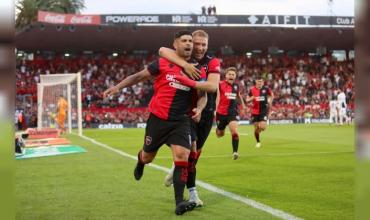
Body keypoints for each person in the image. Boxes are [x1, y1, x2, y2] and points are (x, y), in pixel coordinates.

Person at [103, 30, 205, 215]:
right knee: (148, 156)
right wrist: (117, 87)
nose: (189, 44)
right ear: (175, 45)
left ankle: (179, 202)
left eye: (191, 41)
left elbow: (202, 95)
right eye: (184, 41)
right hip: (158, 119)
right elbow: (138, 76)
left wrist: (200, 107)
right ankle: (141, 160)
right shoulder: (163, 63)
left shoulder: (197, 69)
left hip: (181, 120)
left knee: (183, 155)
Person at [158, 29, 221, 207]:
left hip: (206, 112)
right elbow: (162, 50)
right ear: (191, 43)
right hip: (187, 112)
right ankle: (192, 194)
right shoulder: (183, 57)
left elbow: (213, 87)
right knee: (190, 151)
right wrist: (185, 66)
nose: (200, 48)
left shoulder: (212, 62)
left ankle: (177, 166)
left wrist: (205, 102)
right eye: (197, 44)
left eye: (204, 45)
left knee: (194, 157)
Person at [215, 67, 246, 159]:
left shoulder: (236, 86)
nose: (231, 76)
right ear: (226, 75)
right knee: (220, 134)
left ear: (235, 76)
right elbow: (215, 95)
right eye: (230, 74)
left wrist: (243, 106)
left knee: (235, 132)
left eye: (233, 74)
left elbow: (239, 95)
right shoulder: (220, 84)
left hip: (232, 113)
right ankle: (219, 129)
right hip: (220, 113)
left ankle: (235, 152)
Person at [246, 75, 274, 148]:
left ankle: (260, 128)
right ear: (256, 82)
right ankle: (258, 142)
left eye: (261, 81)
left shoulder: (266, 89)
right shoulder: (252, 90)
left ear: (263, 82)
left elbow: (272, 95)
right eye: (258, 81)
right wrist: (251, 98)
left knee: (263, 128)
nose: (260, 83)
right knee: (256, 129)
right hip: (254, 112)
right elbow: (247, 100)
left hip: (263, 111)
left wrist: (270, 102)